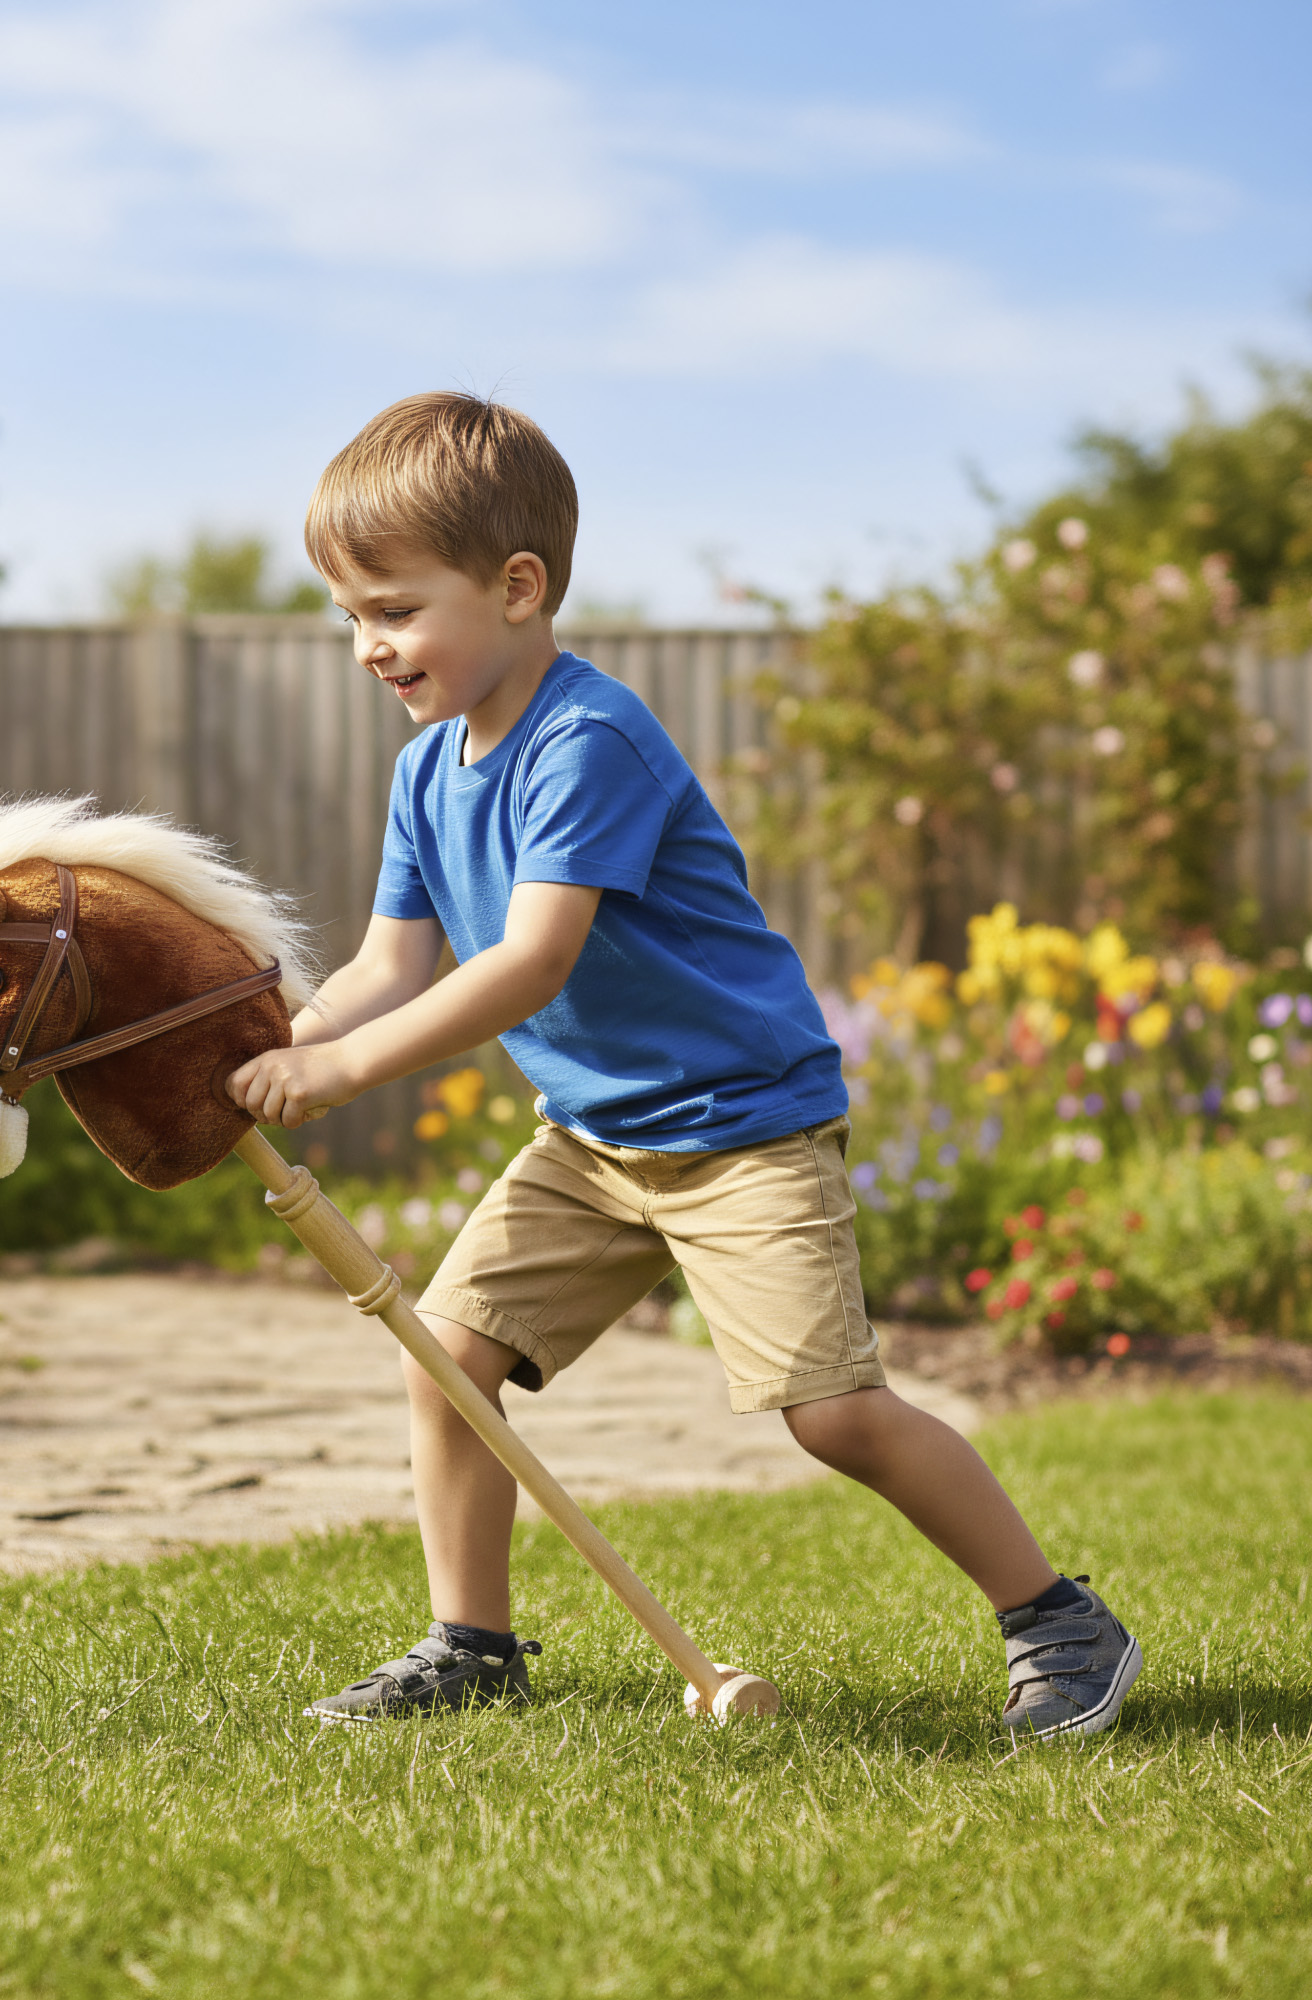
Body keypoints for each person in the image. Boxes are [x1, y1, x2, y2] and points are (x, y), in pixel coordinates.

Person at [228, 391, 1141, 1741]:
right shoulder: (427, 777)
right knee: (445, 1358)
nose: (370, 645)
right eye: (351, 616)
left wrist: (343, 1074)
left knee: (832, 1415)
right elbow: (384, 968)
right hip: (594, 1139)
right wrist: (267, 1047)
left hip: (742, 1128)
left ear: (518, 588)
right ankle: (471, 1647)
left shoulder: (586, 742)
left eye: (397, 610)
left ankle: (1060, 1620)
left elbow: (530, 962)